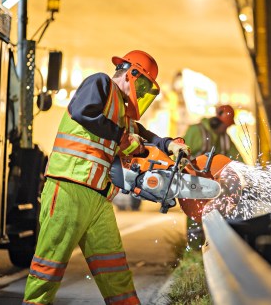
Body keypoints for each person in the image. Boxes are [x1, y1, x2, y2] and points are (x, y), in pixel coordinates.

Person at [22, 50, 189, 305]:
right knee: (49, 267)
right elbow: (83, 111)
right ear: (132, 74)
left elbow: (143, 135)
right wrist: (122, 138)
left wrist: (168, 145)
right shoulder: (100, 83)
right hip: (69, 189)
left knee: (115, 271)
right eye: (143, 86)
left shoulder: (123, 115)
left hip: (99, 199)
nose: (142, 94)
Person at [182, 104, 243, 249]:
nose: (226, 129)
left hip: (214, 183)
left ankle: (213, 247)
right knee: (195, 215)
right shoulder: (196, 131)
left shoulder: (224, 138)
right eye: (225, 126)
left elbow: (237, 159)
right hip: (194, 180)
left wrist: (245, 172)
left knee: (217, 212)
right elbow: (182, 154)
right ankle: (194, 250)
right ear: (216, 122)